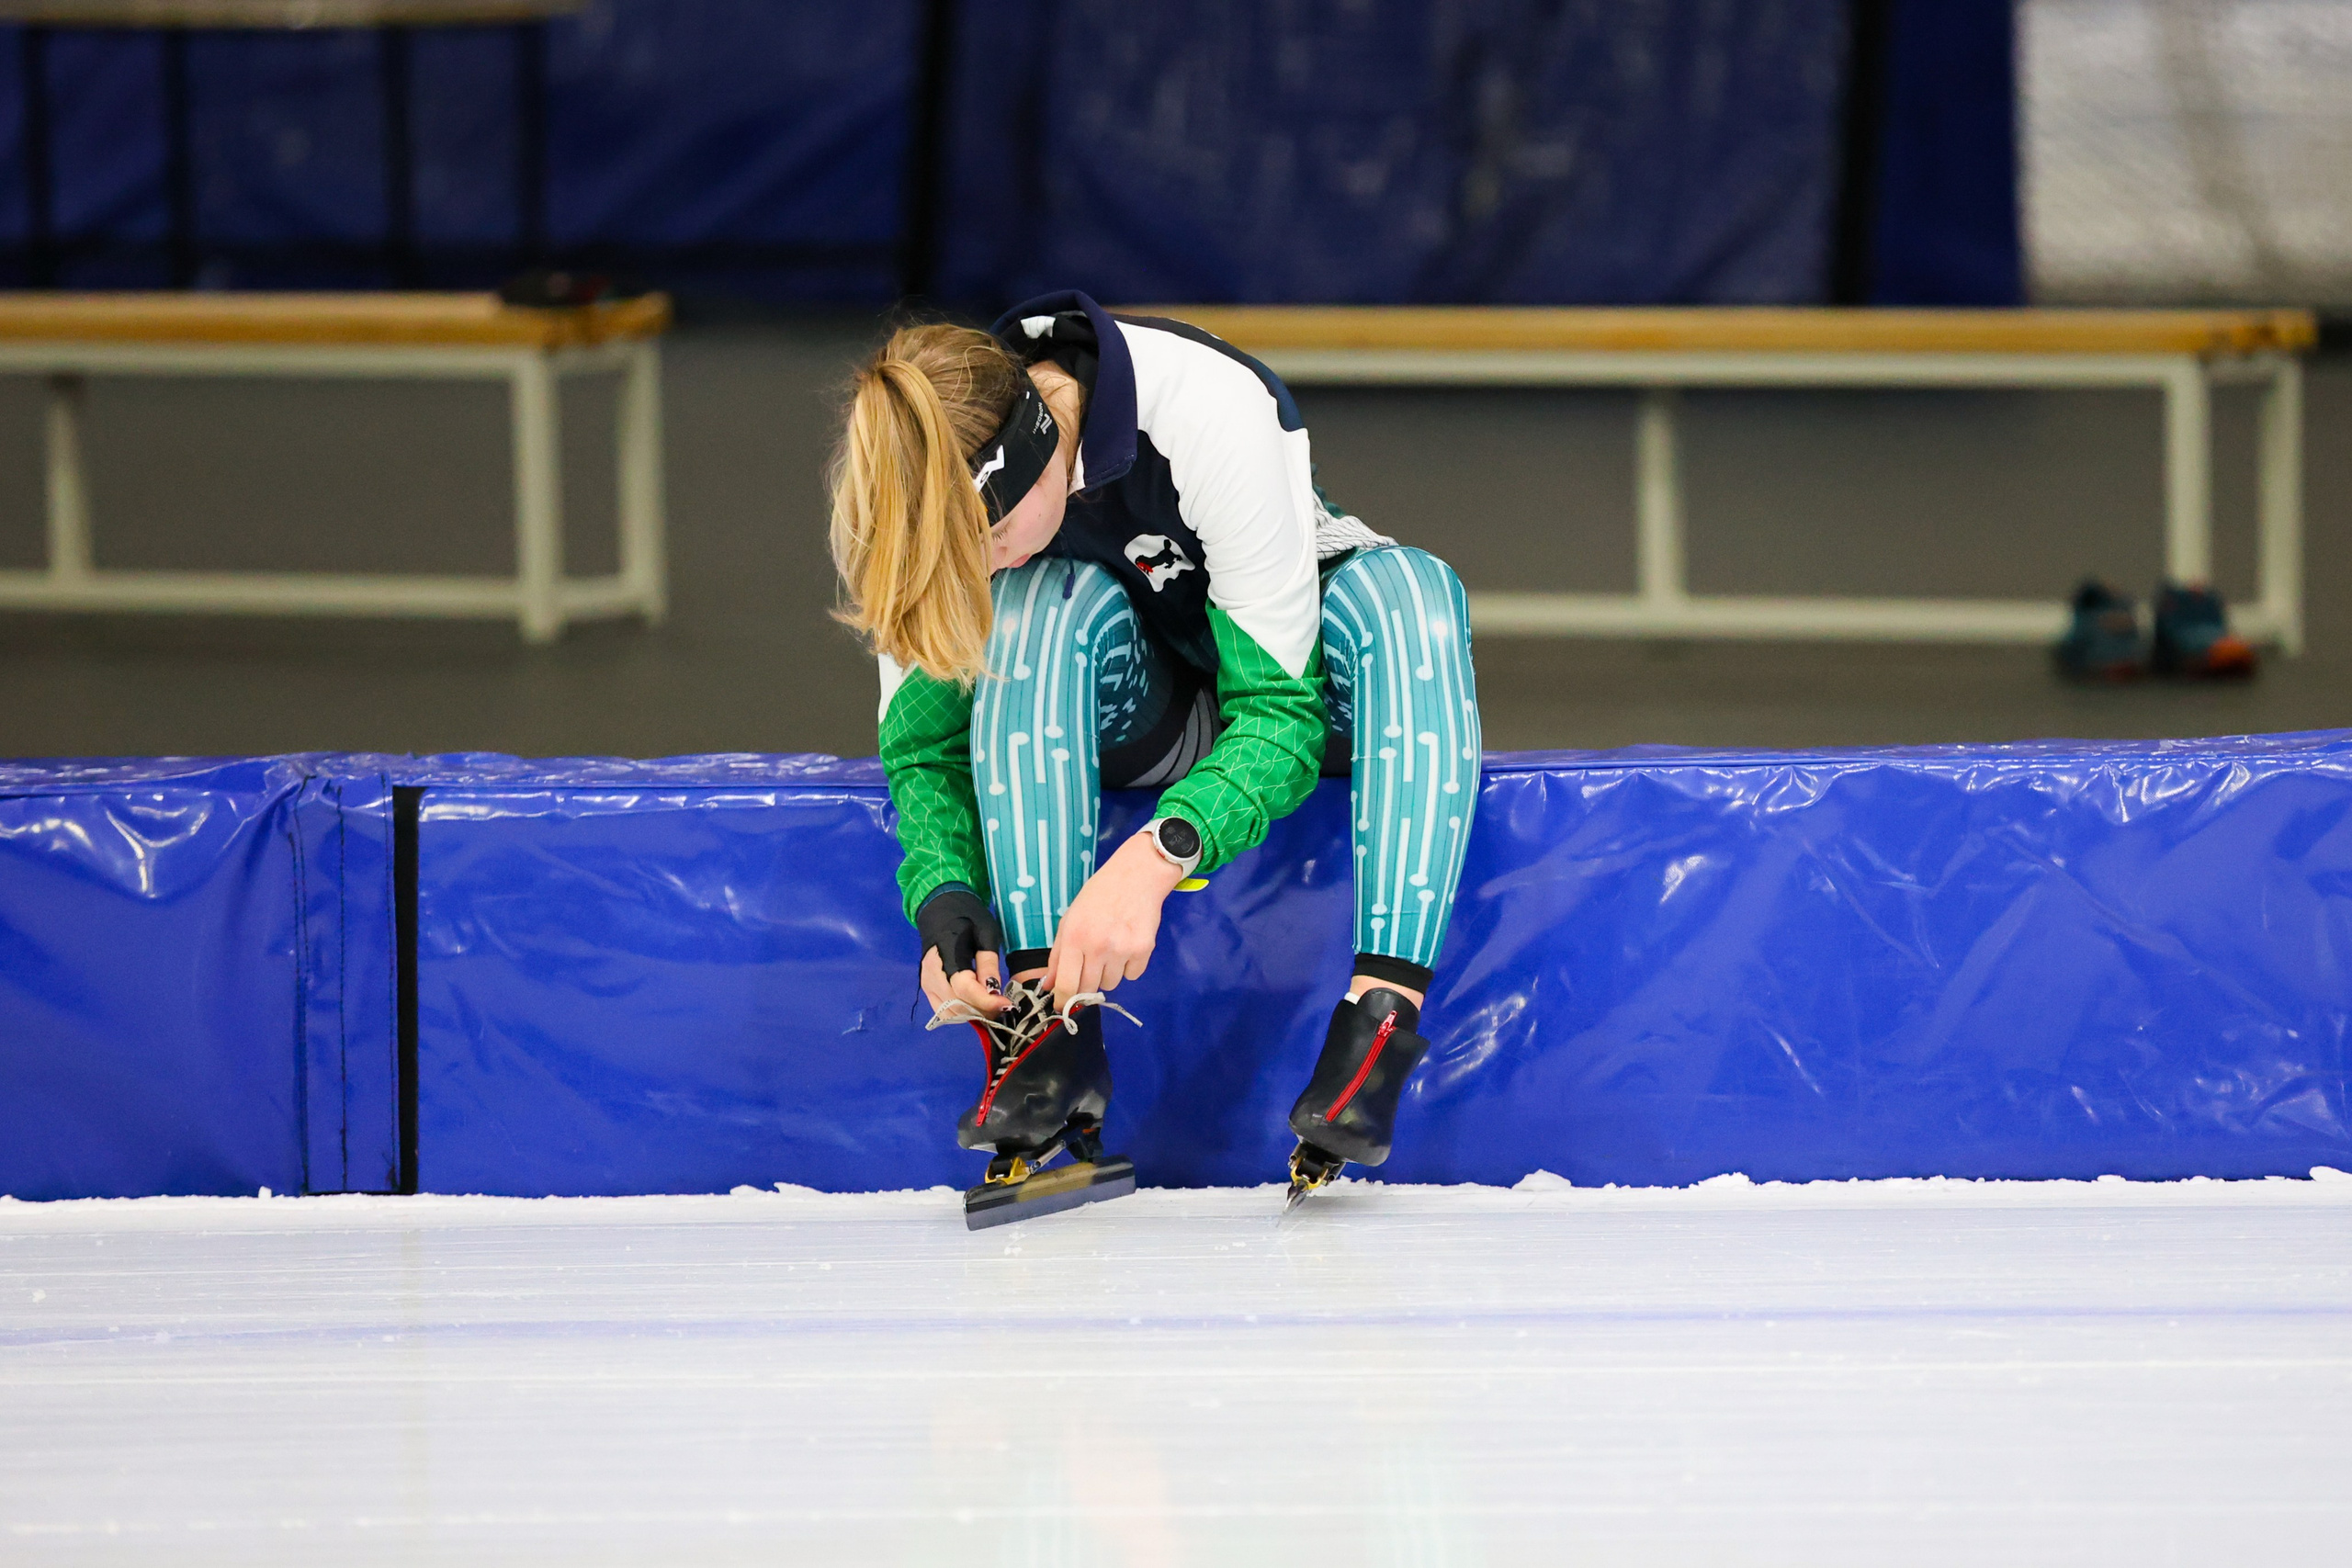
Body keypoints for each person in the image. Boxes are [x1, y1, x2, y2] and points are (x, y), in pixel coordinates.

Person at [827, 290, 1481, 1204]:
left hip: (1292, 695)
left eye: (988, 540)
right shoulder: (945, 490)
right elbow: (923, 750)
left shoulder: (1206, 405)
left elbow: (1277, 720)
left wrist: (1154, 857)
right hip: (1146, 712)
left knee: (1413, 596)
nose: (978, 570)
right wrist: (943, 893)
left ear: (1035, 453)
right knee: (1027, 615)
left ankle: (1376, 1023)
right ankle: (1045, 1027)